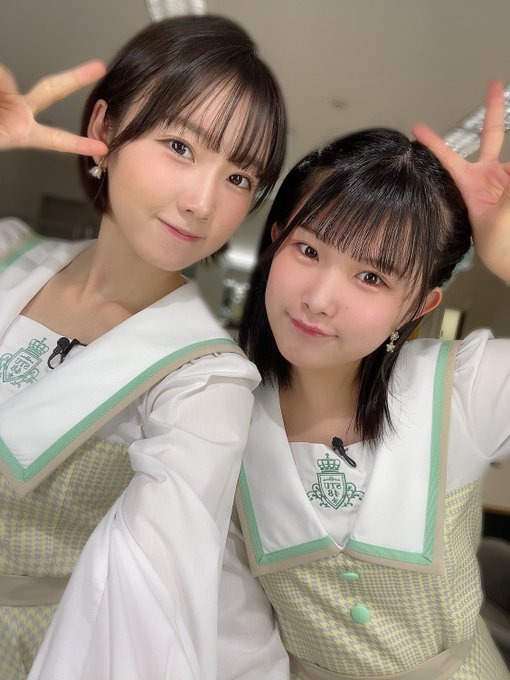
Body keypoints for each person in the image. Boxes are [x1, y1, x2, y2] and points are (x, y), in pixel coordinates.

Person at [0, 14, 289, 680]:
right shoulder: (9, 252)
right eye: (181, 146)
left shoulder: (205, 382)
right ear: (104, 130)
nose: (202, 202)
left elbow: (155, 600)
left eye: (240, 178)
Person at [232, 81, 510, 679]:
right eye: (309, 250)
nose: (319, 299)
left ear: (419, 306)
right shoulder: (217, 411)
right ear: (276, 241)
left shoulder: (462, 389)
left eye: (372, 278)